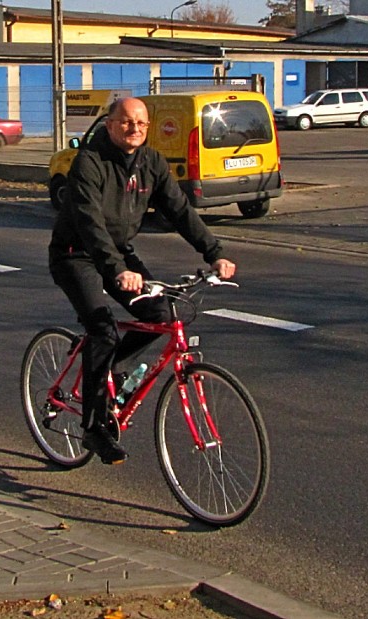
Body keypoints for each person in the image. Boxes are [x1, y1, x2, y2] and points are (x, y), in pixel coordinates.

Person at [49, 97, 236, 465]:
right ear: (109, 124)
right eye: (126, 122)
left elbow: (180, 210)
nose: (134, 129)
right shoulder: (89, 162)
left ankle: (110, 371)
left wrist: (214, 253)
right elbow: (90, 223)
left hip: (118, 252)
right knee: (102, 330)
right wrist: (117, 270)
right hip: (76, 254)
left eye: (142, 124)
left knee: (161, 313)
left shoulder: (151, 162)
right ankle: (93, 426)